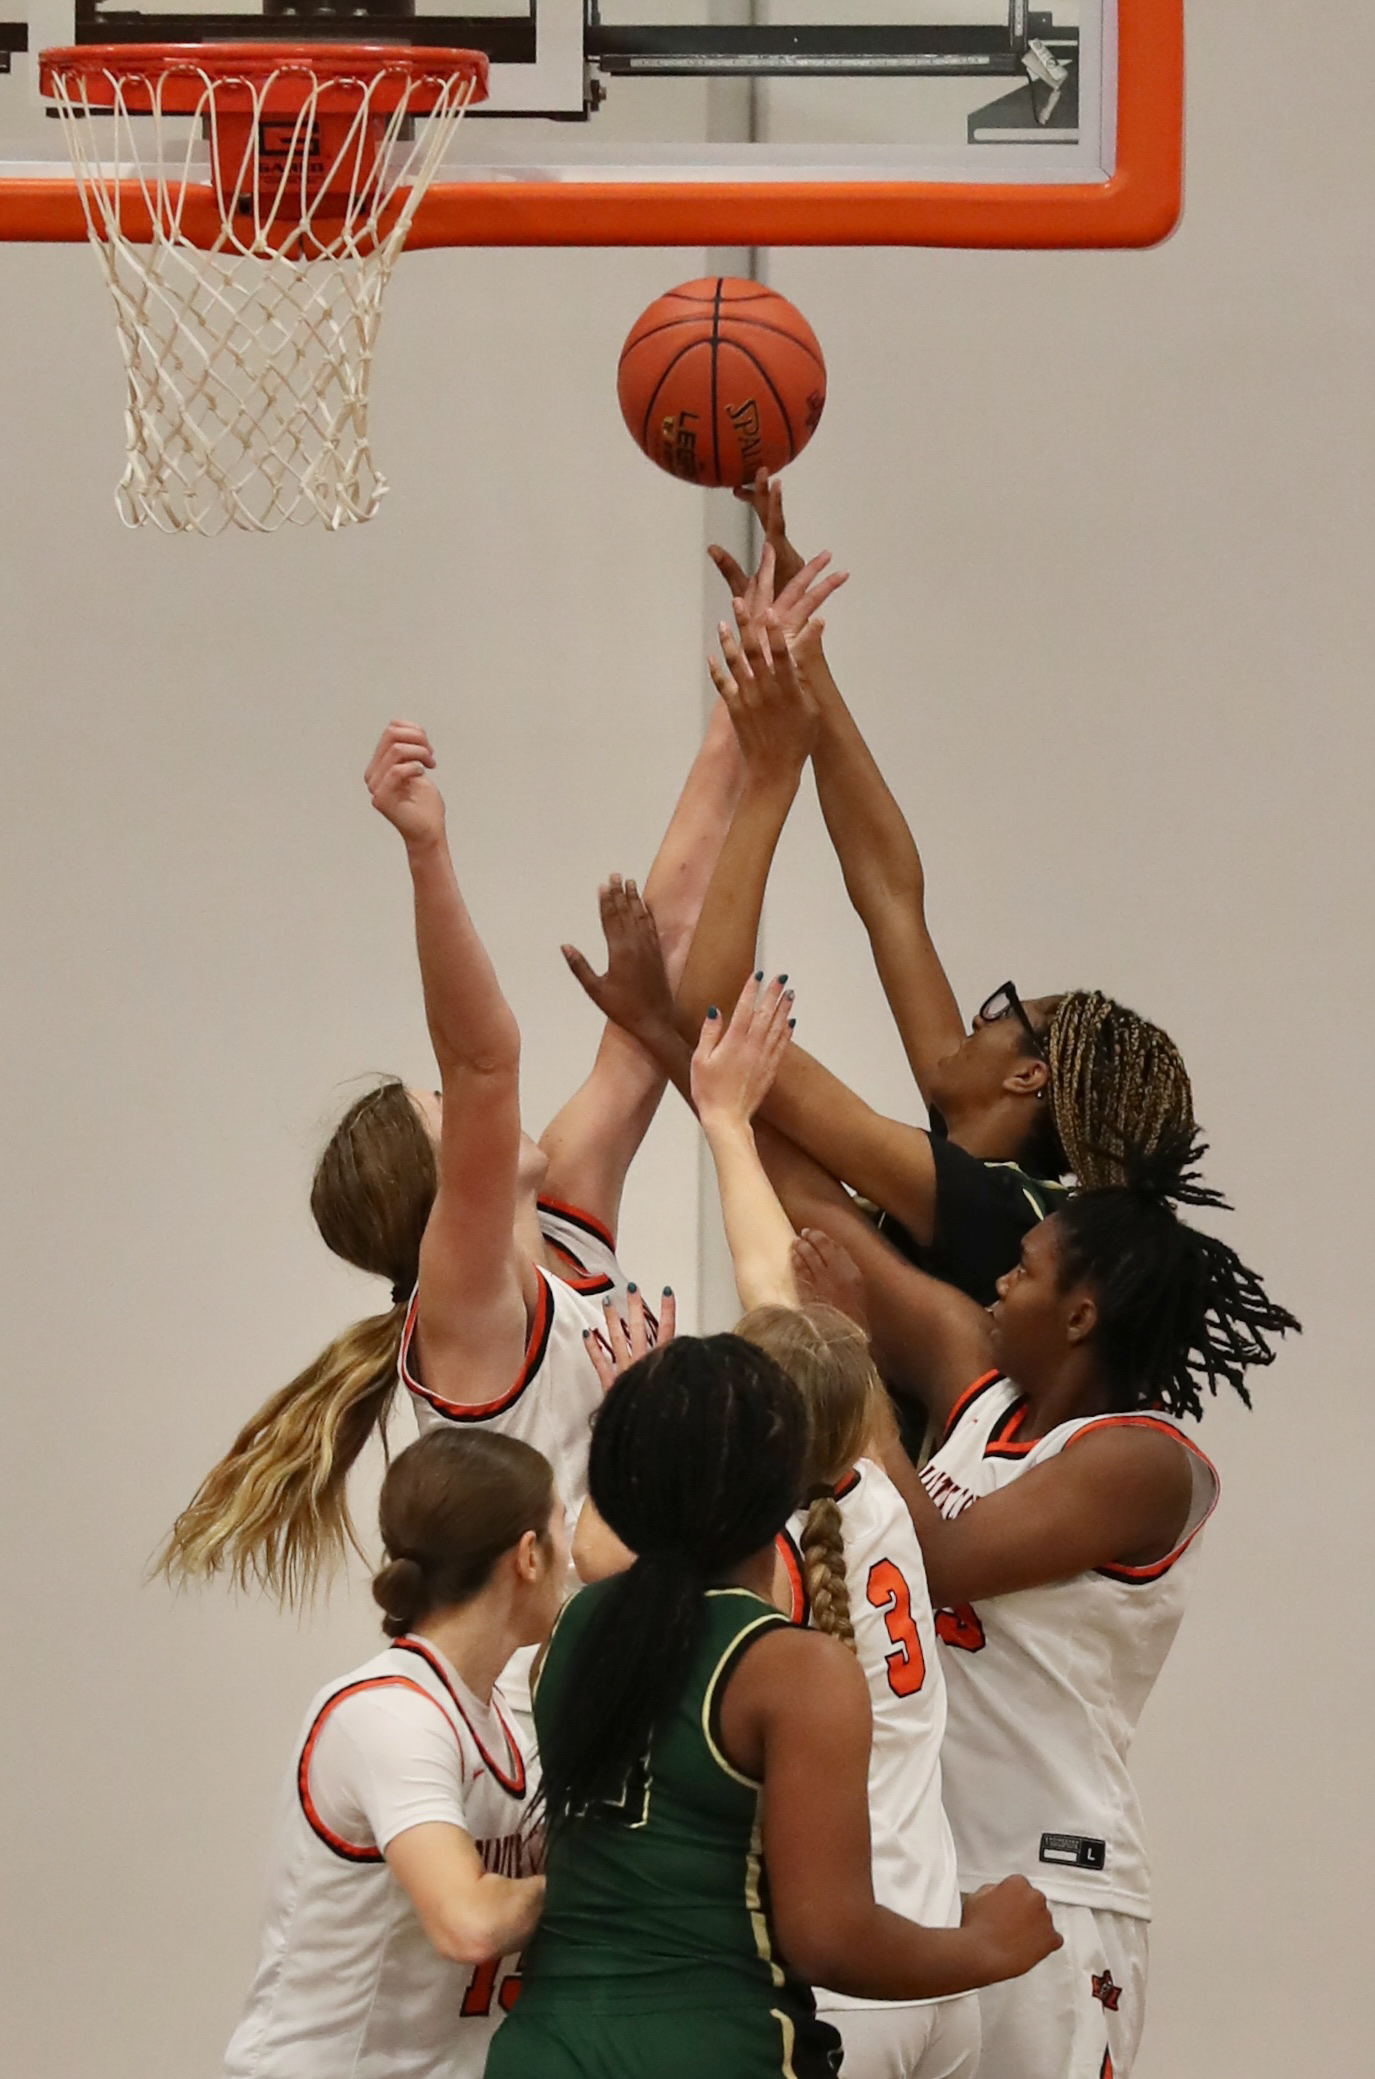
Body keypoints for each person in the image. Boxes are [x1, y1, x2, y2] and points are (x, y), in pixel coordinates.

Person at [156, 705, 749, 1708]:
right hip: (549, 1712)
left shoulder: (558, 1223)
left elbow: (653, 981)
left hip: (635, 1665)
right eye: (444, 1113)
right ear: (442, 1188)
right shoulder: (467, 1317)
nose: (472, 1111)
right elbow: (483, 1061)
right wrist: (426, 848)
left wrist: (738, 720)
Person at [765, 1128, 1300, 2079]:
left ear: (1080, 1314)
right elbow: (820, 1229)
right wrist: (721, 1091)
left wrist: (849, 1361)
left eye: (1023, 1268)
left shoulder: (1140, 1460)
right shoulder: (980, 1394)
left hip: (1054, 1880)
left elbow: (937, 1559)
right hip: (929, 1871)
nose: (999, 1283)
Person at [679, 473, 1197, 1311]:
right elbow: (889, 891)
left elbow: (711, 1015)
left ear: (1027, 1076)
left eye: (1001, 1011)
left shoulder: (998, 1210)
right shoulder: (982, 1176)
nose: (977, 1019)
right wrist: (802, 654)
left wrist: (772, 776)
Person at [485, 1335, 1061, 2079]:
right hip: (716, 2045)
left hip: (544, 2047)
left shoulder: (569, 1631)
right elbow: (828, 1938)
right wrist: (984, 1946)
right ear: (787, 1480)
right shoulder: (793, 1668)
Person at [223, 1426, 565, 2079]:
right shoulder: (389, 1714)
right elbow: (468, 1921)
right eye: (561, 1529)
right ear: (528, 1555)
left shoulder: (503, 1725)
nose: (569, 1560)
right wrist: (595, 1883)